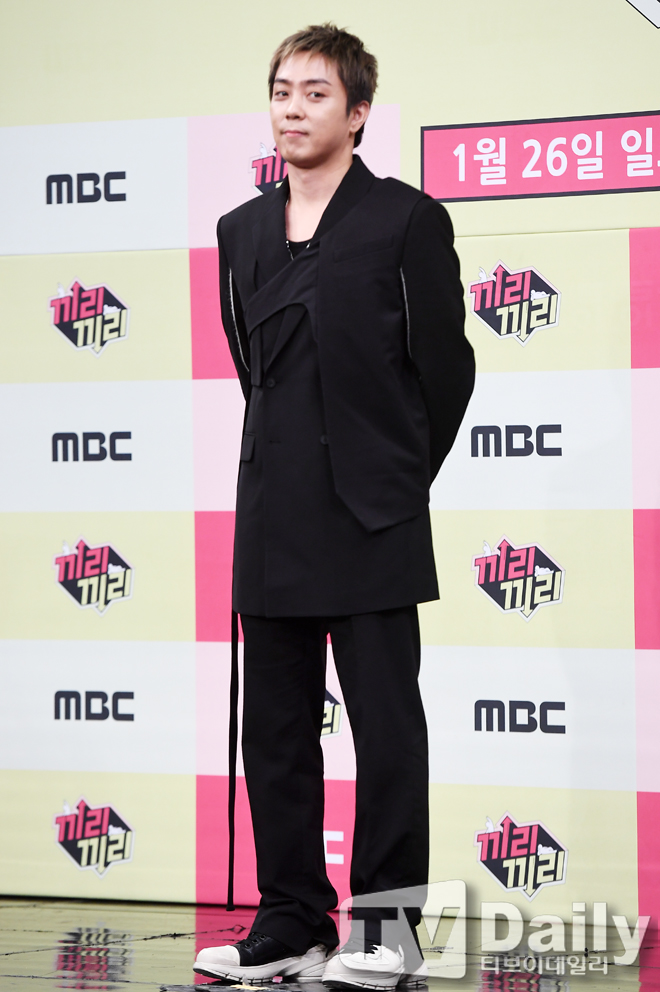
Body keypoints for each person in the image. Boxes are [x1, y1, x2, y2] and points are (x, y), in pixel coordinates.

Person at [193, 22, 474, 990]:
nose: (293, 108)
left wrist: (395, 477)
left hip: (373, 513)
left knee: (387, 729)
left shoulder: (405, 219)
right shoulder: (239, 230)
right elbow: (256, 369)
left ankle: (387, 931)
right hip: (273, 511)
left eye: (316, 93)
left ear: (357, 113)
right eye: (282, 90)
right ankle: (291, 921)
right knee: (273, 729)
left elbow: (446, 370)